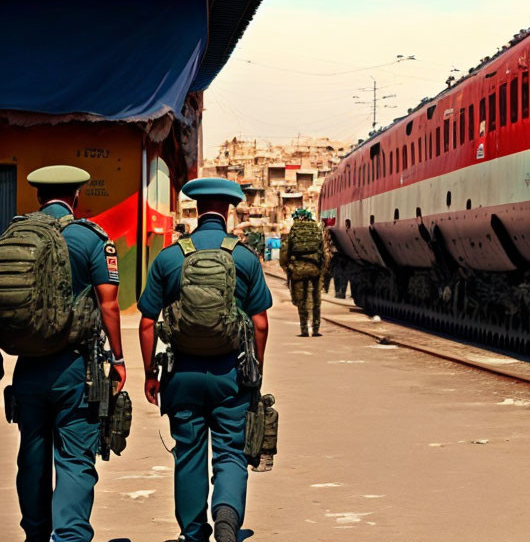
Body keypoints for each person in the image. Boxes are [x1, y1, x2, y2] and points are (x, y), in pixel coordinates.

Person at [138, 178, 272, 542]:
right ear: (228, 211)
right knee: (230, 451)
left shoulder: (169, 257)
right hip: (230, 373)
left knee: (189, 453)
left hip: (182, 374)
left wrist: (151, 373)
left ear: (196, 209)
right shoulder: (243, 258)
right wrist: (254, 369)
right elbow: (260, 323)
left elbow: (147, 321)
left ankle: (193, 532)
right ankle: (227, 516)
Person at [9, 165, 125, 541]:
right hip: (76, 367)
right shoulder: (90, 237)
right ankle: (71, 536)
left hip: (27, 367)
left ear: (38, 197)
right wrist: (119, 361)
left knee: (32, 454)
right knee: (75, 458)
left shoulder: (14, 235)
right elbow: (109, 304)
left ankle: (35, 534)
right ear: (77, 196)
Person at [280, 208, 323, 337]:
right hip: (315, 269)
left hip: (298, 269)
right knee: (316, 300)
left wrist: (286, 266)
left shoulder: (294, 230)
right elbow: (323, 251)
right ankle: (315, 329)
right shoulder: (316, 229)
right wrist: (322, 268)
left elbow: (285, 251)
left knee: (301, 300)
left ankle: (304, 329)